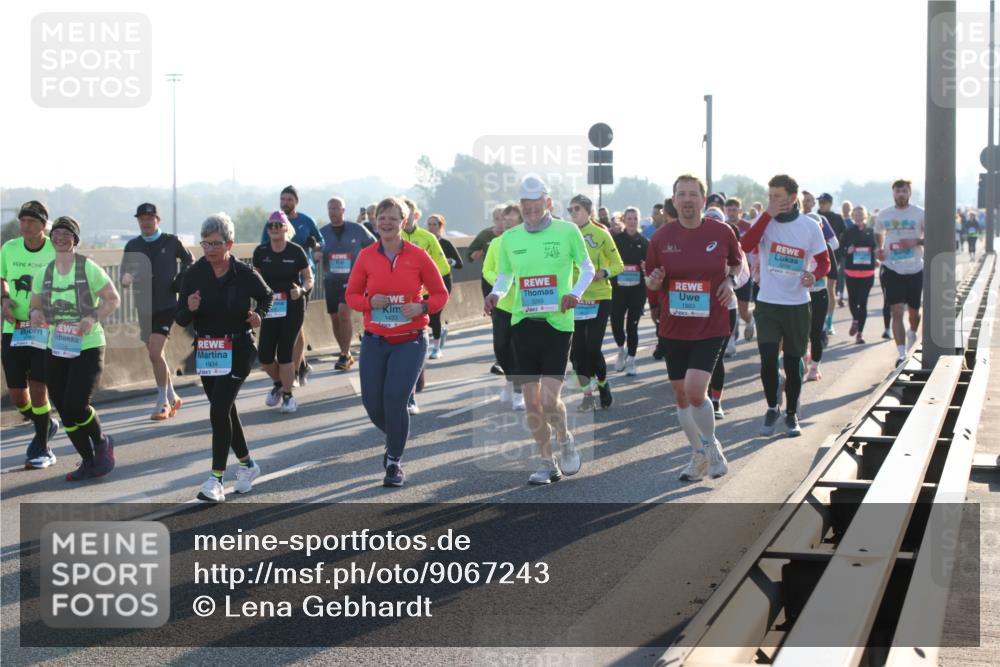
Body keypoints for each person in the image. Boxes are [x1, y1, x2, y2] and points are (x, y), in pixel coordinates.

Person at [485, 176, 594, 485]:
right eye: (526, 208)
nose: (532, 212)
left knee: (549, 400)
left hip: (558, 324)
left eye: (537, 207)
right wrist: (496, 294)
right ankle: (547, 463)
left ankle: (565, 437)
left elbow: (586, 268)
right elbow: (505, 275)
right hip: (522, 324)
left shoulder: (567, 231)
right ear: (521, 207)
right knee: (531, 404)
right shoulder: (510, 238)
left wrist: (575, 292)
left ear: (548, 203)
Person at [645, 175, 746, 480]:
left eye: (693, 194)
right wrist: (653, 283)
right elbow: (651, 279)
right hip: (674, 326)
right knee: (680, 396)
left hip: (711, 324)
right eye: (681, 194)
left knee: (694, 390)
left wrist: (729, 282)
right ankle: (699, 454)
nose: (687, 200)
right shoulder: (661, 238)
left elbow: (737, 264)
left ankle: (711, 445)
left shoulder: (722, 231)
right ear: (674, 201)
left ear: (704, 200)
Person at [345, 197, 448, 487]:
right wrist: (369, 302)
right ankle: (397, 435)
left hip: (410, 340)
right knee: (372, 404)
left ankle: (393, 462)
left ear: (403, 222)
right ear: (375, 222)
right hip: (375, 340)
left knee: (395, 400)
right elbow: (351, 296)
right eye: (381, 218)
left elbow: (440, 294)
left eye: (392, 218)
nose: (386, 223)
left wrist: (423, 307)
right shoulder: (366, 256)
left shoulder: (418, 256)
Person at [178, 213, 271, 502]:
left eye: (216, 243)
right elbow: (180, 318)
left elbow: (267, 296)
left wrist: (259, 315)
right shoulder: (193, 274)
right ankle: (247, 465)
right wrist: (190, 307)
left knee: (218, 411)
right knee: (225, 411)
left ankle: (215, 479)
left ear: (229, 243)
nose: (210, 249)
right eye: (205, 243)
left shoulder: (243, 273)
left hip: (239, 347)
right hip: (207, 351)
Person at [29, 216, 120, 480]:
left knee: (77, 405)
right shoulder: (44, 272)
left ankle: (102, 442)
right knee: (62, 406)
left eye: (66, 233)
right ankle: (88, 461)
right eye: (55, 232)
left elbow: (112, 299)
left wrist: (92, 317)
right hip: (55, 346)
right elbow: (35, 305)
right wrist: (35, 314)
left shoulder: (88, 268)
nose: (59, 237)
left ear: (75, 239)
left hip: (87, 345)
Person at [739, 174, 830, 437]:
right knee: (768, 360)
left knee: (792, 363)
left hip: (797, 305)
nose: (773, 201)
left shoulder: (809, 227)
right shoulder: (764, 221)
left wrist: (814, 275)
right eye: (769, 196)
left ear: (792, 198)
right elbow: (746, 244)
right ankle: (771, 407)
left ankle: (791, 414)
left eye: (777, 196)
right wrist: (766, 215)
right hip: (767, 303)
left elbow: (824, 262)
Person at [120, 202, 194, 420]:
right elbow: (124, 272)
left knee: (154, 352)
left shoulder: (171, 241)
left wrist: (180, 280)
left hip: (167, 304)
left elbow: (190, 260)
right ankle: (172, 395)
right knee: (156, 355)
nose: (145, 223)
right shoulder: (133, 245)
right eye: (141, 219)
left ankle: (162, 402)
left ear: (157, 220)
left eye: (149, 219)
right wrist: (125, 279)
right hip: (143, 306)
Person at [1, 201, 60, 468]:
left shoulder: (55, 249)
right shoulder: (9, 248)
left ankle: (43, 449)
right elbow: (1, 276)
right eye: (22, 220)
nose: (25, 226)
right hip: (14, 328)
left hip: (44, 331)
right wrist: (4, 298)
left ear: (44, 225)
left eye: (32, 222)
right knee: (16, 393)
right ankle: (44, 423)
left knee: (39, 387)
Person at [259, 185, 322, 386]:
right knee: (287, 331)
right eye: (283, 199)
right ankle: (298, 366)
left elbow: (321, 242)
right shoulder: (271, 222)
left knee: (297, 326)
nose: (285, 202)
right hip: (275, 286)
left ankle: (293, 370)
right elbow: (262, 248)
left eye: (289, 199)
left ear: (296, 201)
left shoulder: (306, 221)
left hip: (300, 279)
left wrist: (316, 246)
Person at [567, 194, 623, 410]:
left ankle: (602, 383)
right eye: (570, 209)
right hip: (575, 298)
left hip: (599, 297)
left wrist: (604, 272)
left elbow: (618, 264)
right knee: (576, 353)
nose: (572, 213)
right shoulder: (565, 235)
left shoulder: (601, 234)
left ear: (588, 212)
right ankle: (587, 395)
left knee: (592, 348)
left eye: (577, 209)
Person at [254, 211, 313, 413]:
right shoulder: (261, 252)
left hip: (293, 305)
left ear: (286, 228)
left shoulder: (296, 251)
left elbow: (308, 278)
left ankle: (288, 397)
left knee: (285, 351)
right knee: (265, 356)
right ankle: (280, 384)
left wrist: (302, 290)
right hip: (271, 307)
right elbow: (255, 280)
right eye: (270, 226)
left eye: (278, 225)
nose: (274, 229)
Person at [400, 198, 449, 413]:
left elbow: (443, 269)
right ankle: (407, 390)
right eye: (401, 213)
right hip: (397, 301)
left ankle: (414, 380)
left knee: (415, 341)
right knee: (400, 344)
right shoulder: (392, 237)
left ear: (415, 215)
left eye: (408, 213)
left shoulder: (427, 238)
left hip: (422, 300)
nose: (405, 217)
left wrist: (431, 298)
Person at [317, 197, 376, 372]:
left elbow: (374, 245)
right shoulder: (322, 232)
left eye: (336, 208)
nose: (332, 212)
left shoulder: (357, 229)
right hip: (331, 280)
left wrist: (366, 266)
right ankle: (346, 352)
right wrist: (317, 255)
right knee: (335, 317)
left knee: (344, 312)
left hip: (352, 280)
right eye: (330, 209)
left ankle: (344, 353)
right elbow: (314, 250)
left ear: (343, 210)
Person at [874, 180, 925, 365]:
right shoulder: (885, 214)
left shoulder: (919, 213)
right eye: (897, 191)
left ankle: (912, 332)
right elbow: (878, 232)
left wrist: (915, 242)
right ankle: (902, 353)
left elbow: (931, 237)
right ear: (893, 193)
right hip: (892, 267)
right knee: (896, 310)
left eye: (904, 191)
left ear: (909, 192)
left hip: (915, 268)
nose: (901, 194)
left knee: (914, 312)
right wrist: (879, 248)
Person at [483, 203, 526, 410]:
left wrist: (520, 280)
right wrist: (503, 281)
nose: (505, 223)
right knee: (501, 348)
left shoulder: (529, 241)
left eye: (510, 220)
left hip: (524, 305)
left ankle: (519, 392)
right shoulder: (496, 243)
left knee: (517, 349)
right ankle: (510, 380)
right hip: (502, 303)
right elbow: (487, 270)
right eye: (503, 219)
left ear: (520, 221)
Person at [611, 206, 649, 376]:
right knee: (617, 322)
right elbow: (608, 260)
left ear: (639, 221)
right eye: (629, 218)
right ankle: (621, 349)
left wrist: (646, 267)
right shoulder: (616, 240)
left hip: (637, 290)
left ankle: (632, 360)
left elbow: (650, 265)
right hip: (618, 289)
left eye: (635, 218)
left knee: (632, 325)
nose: (632, 221)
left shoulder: (644, 241)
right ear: (624, 220)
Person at [804, 212, 840, 382]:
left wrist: (816, 274)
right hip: (800, 295)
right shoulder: (797, 244)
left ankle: (815, 368)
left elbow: (833, 272)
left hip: (819, 295)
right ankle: (804, 358)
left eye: (816, 227)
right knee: (801, 332)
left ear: (821, 228)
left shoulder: (825, 246)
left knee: (815, 333)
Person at [425, 214, 463, 359]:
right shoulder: (423, 242)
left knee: (435, 314)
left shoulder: (446, 244)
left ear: (441, 227)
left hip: (443, 282)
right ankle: (440, 331)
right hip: (426, 283)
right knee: (426, 315)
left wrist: (449, 261)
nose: (432, 227)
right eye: (429, 224)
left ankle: (436, 348)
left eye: (435, 224)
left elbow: (460, 264)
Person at [842, 205, 878, 344]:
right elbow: (841, 249)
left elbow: (876, 247)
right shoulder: (848, 232)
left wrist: (875, 256)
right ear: (852, 216)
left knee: (863, 302)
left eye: (860, 215)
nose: (858, 217)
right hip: (851, 271)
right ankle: (856, 320)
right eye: (856, 215)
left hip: (867, 272)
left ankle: (860, 333)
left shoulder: (871, 231)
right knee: (852, 300)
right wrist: (847, 251)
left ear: (865, 216)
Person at [726, 197, 755, 343]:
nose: (731, 213)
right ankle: (731, 341)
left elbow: (753, 251)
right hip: (727, 273)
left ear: (740, 211)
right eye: (729, 210)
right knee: (730, 308)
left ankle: (750, 321)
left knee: (743, 311)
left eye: (734, 210)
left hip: (744, 273)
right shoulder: (722, 226)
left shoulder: (748, 227)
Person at [468, 206, 505, 297]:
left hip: (508, 275)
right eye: (497, 219)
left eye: (503, 218)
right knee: (492, 307)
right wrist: (473, 255)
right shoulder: (485, 235)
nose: (500, 222)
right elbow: (470, 253)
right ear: (493, 220)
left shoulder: (514, 234)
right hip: (489, 276)